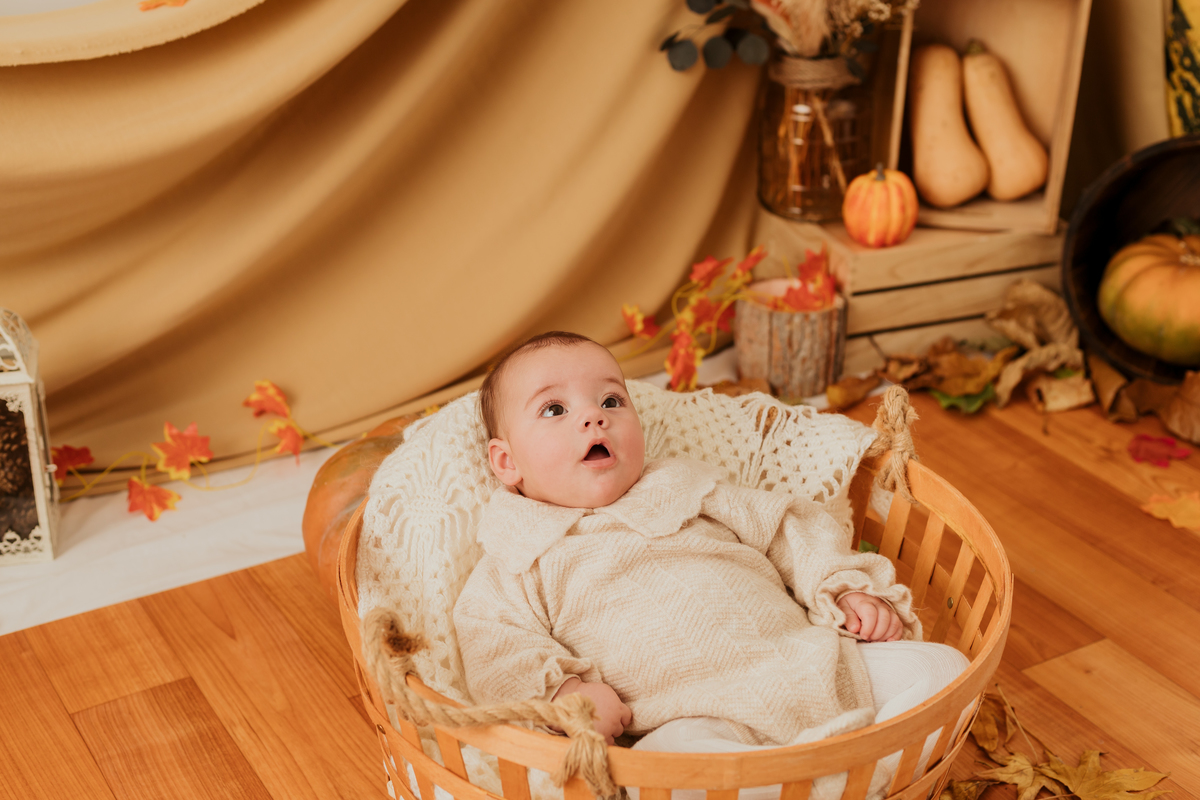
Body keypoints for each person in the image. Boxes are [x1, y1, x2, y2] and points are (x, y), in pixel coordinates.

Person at [453, 331, 968, 776]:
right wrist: (566, 694)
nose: (594, 417)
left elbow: (789, 527)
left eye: (611, 401)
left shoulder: (688, 488)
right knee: (666, 769)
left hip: (811, 665)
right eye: (554, 409)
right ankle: (837, 773)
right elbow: (494, 645)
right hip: (693, 720)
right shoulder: (518, 556)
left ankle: (828, 772)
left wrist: (845, 588)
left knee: (944, 671)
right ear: (507, 462)